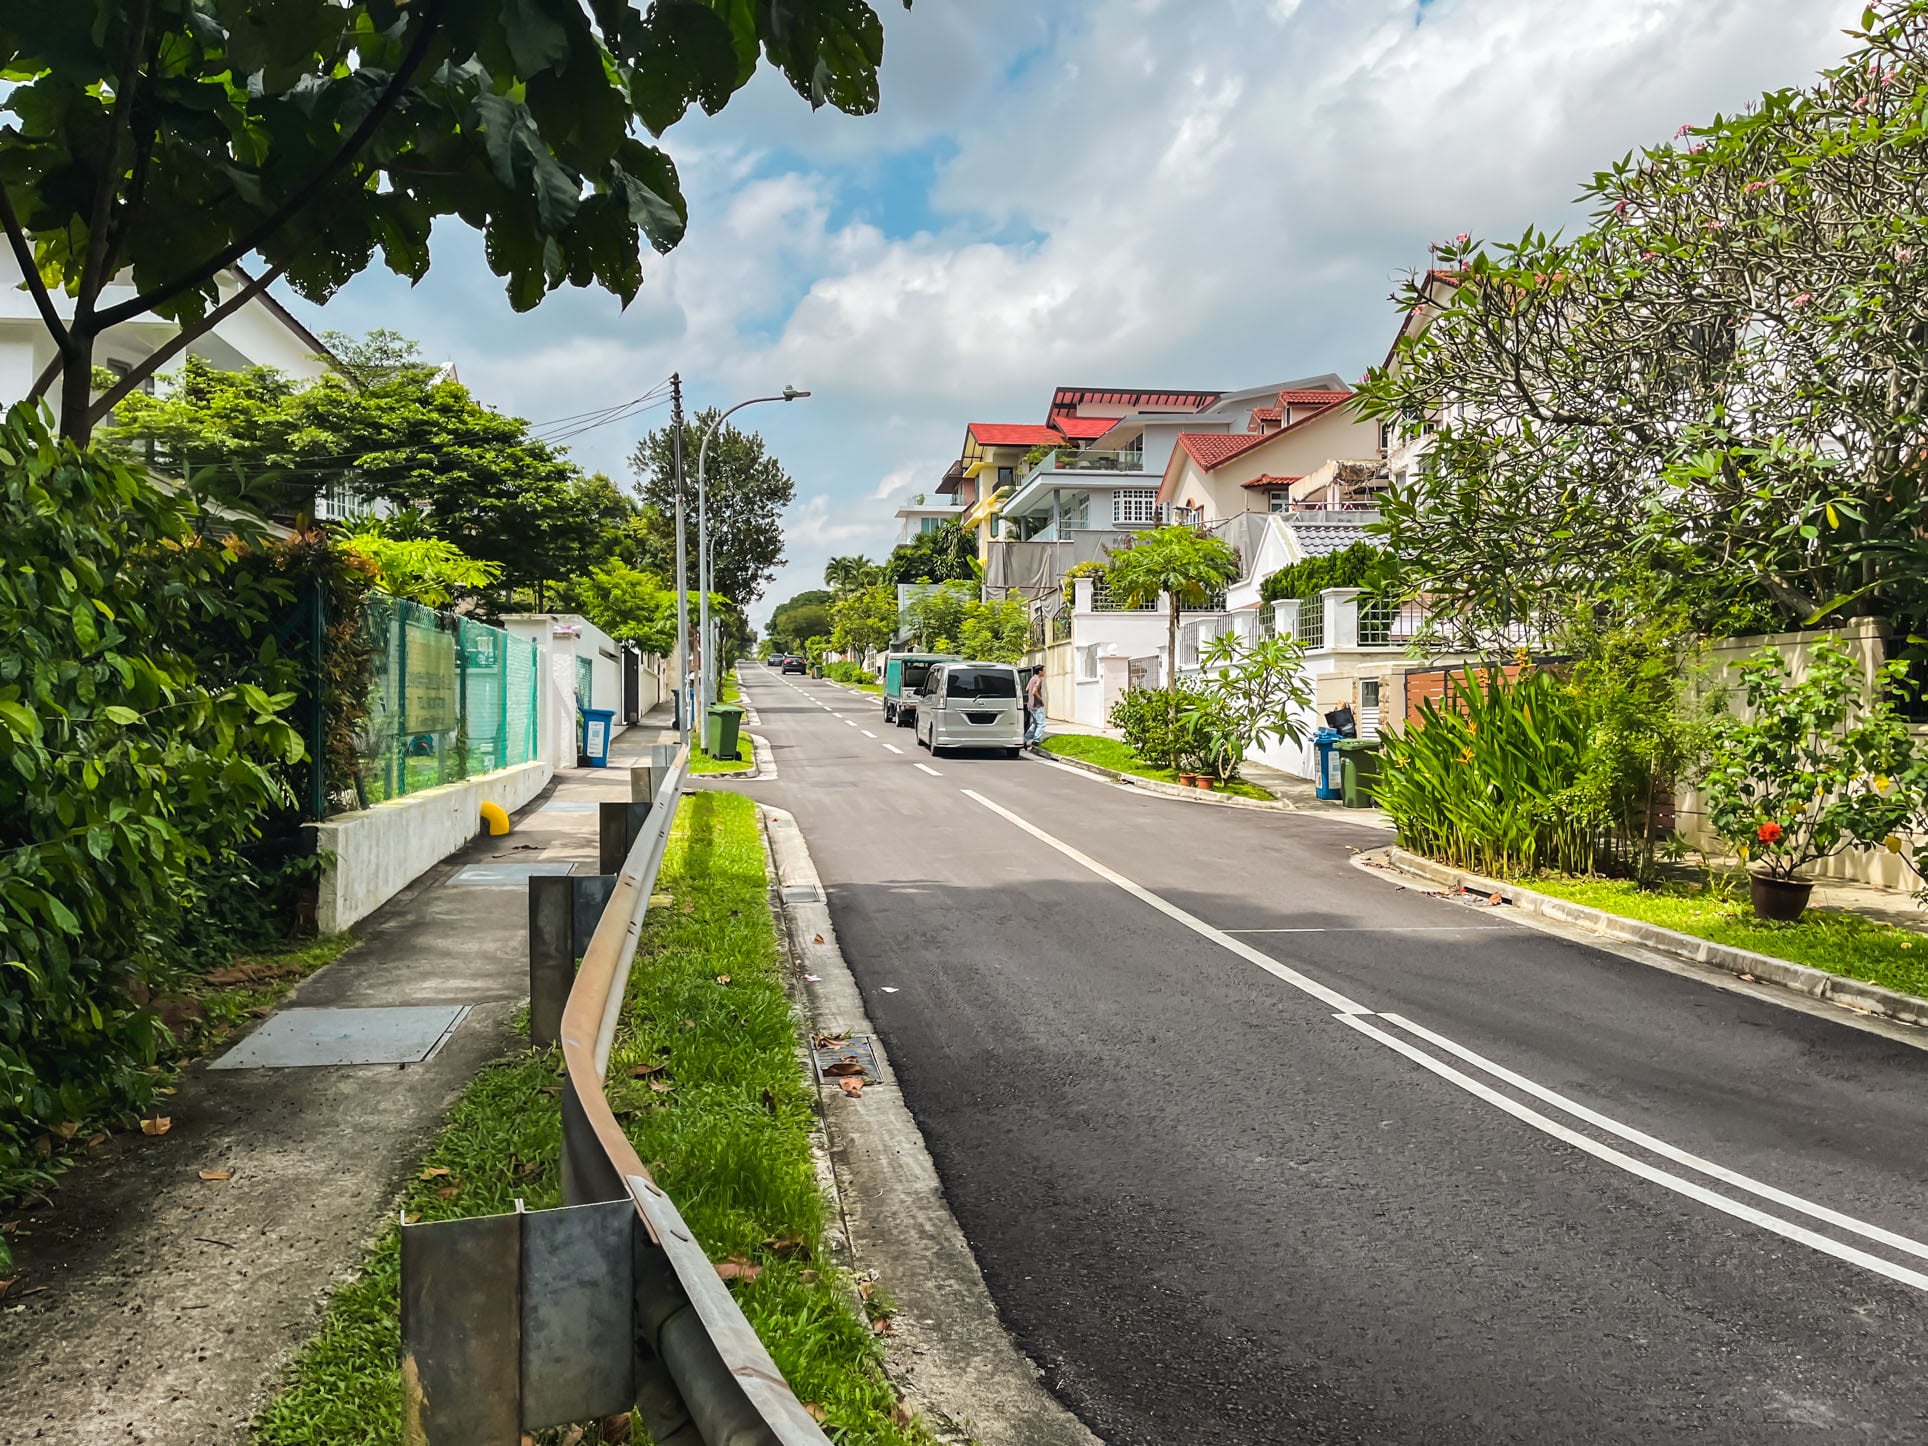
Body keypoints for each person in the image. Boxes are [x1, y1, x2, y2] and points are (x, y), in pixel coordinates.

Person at [1025, 665, 1046, 747]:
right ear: (1040, 672)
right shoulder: (1038, 679)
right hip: (1037, 705)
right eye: (1043, 671)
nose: (1044, 672)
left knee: (1034, 724)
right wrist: (1040, 699)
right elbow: (1034, 691)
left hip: (1030, 705)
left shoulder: (1032, 679)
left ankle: (1025, 739)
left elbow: (1027, 689)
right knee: (1041, 724)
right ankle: (1036, 740)